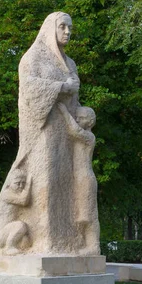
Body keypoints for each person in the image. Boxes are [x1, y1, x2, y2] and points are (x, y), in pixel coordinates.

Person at [0, 12, 99, 256]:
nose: (68, 32)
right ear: (51, 28)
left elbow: (76, 101)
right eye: (63, 27)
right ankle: (45, 241)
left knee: (65, 187)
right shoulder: (33, 58)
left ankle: (67, 242)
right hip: (44, 133)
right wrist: (62, 87)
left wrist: (84, 115)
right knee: (46, 184)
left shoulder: (70, 63)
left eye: (70, 28)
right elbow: (29, 89)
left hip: (67, 137)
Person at [57, 103, 99, 254]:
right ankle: (83, 243)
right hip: (78, 178)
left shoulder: (89, 137)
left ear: (89, 122)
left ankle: (94, 246)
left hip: (85, 179)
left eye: (80, 118)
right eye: (76, 117)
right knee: (80, 214)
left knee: (88, 214)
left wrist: (64, 111)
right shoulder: (84, 132)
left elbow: (74, 131)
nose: (77, 120)